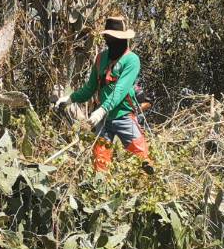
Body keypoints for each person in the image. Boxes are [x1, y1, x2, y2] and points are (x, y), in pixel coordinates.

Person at [59, 15, 154, 174]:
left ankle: (146, 184)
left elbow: (120, 90)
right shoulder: (101, 58)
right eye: (109, 37)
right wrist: (70, 99)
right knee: (100, 162)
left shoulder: (131, 60)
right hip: (104, 120)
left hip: (123, 115)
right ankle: (101, 191)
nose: (111, 40)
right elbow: (90, 88)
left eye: (115, 37)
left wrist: (102, 110)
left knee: (142, 159)